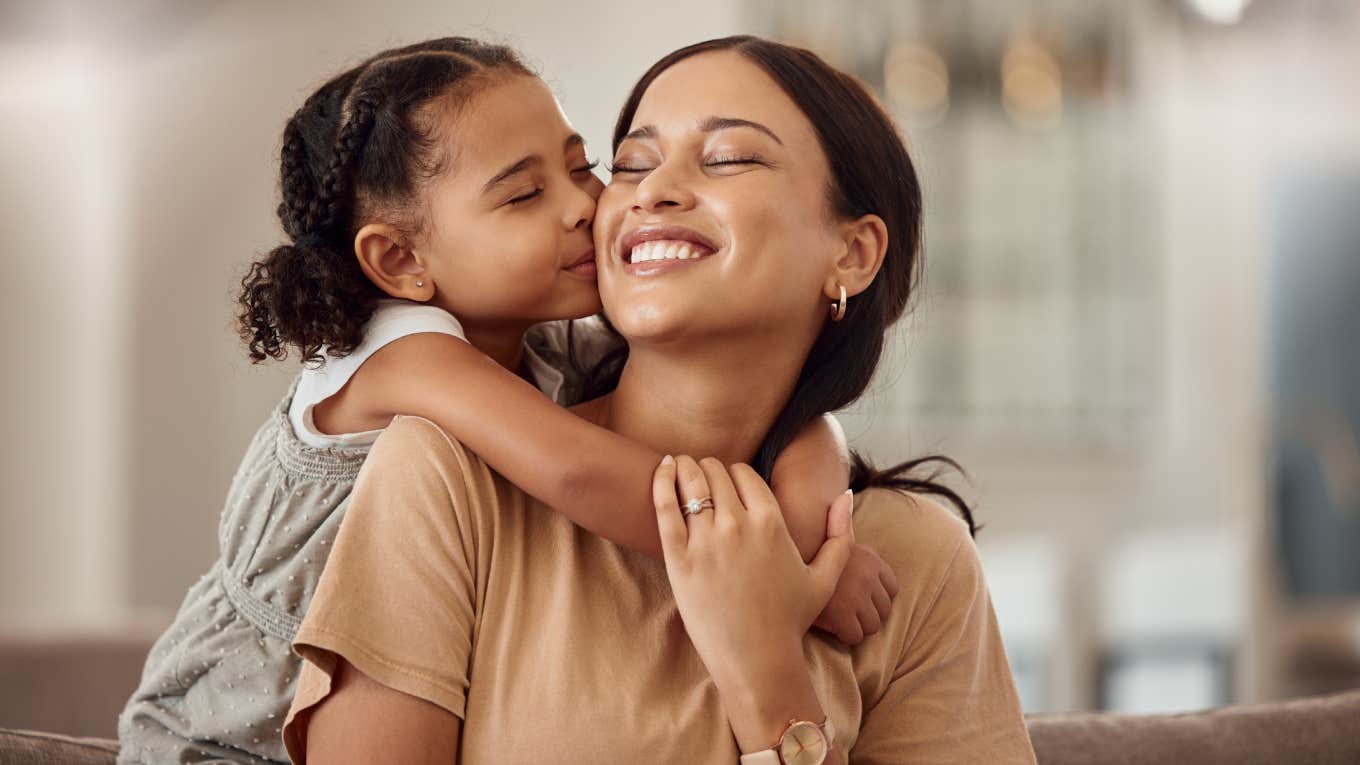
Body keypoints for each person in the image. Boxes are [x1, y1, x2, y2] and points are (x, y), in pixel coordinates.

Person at [117, 37, 893, 765]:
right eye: (524, 195)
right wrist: (781, 559)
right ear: (401, 259)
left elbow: (780, 408)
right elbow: (585, 473)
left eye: (585, 165)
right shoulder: (406, 360)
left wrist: (813, 490)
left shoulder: (543, 345)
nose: (585, 205)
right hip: (217, 738)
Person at [283, 35, 1036, 764]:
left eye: (728, 158)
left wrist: (768, 676)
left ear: (852, 252)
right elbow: (580, 472)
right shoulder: (445, 473)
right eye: (634, 162)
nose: (649, 191)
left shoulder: (915, 560)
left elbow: (810, 428)